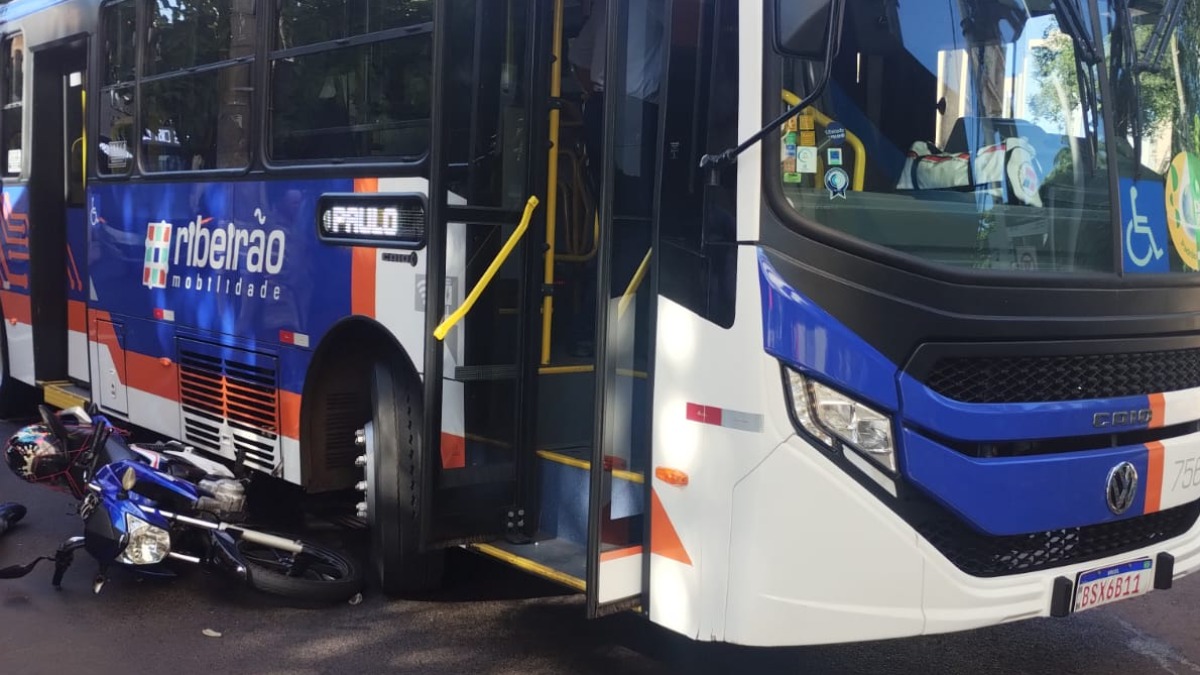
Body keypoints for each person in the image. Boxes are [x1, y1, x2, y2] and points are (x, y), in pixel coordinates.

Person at [567, 0, 665, 358]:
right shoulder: (656, 8)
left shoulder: (609, 8)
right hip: (634, 116)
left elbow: (578, 61)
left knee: (610, 224)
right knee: (636, 226)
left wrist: (597, 100)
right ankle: (613, 329)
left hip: (602, 112)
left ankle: (587, 326)